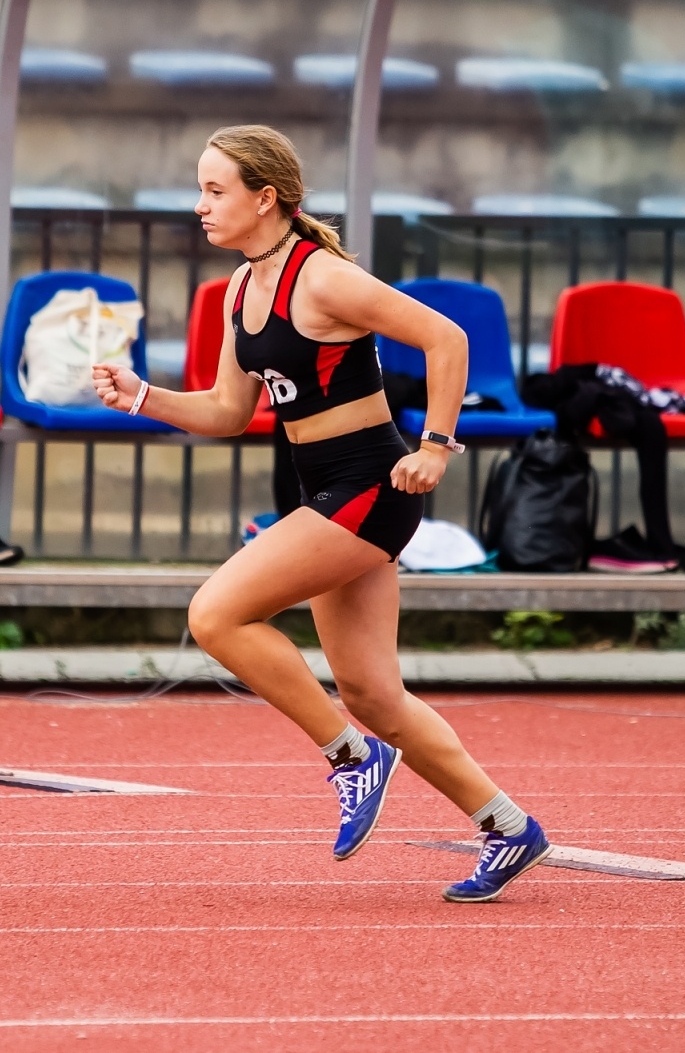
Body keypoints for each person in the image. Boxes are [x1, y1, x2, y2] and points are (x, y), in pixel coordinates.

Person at [92, 125, 551, 902]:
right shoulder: (241, 288)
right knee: (375, 695)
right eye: (200, 189)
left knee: (216, 615)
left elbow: (446, 338)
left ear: (264, 197)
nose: (198, 205)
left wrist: (436, 446)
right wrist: (143, 396)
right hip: (326, 491)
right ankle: (509, 826)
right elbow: (229, 410)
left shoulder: (324, 279)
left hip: (372, 486)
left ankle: (350, 758)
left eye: (214, 190)